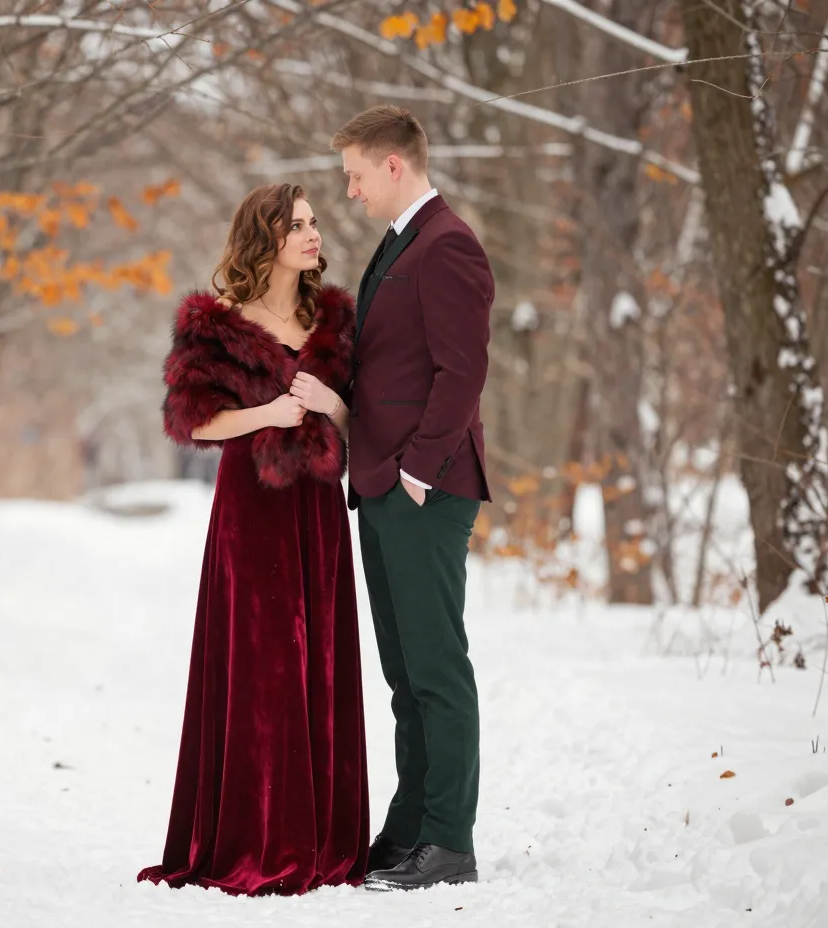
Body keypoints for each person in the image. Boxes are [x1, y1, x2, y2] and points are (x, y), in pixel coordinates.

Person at [137, 183, 369, 895]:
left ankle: (324, 841)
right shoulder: (218, 324)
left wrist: (331, 404)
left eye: (314, 222)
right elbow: (193, 423)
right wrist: (268, 409)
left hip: (320, 510)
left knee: (320, 665)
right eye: (296, 224)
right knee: (260, 668)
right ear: (263, 238)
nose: (312, 233)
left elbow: (364, 415)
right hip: (253, 510)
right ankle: (251, 840)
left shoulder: (334, 318)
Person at [330, 105, 494, 891]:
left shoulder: (448, 244)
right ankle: (408, 830)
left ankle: (450, 842)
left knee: (435, 667)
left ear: (394, 165)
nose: (351, 193)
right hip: (382, 482)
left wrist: (418, 471)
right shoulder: (401, 244)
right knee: (403, 673)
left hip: (422, 486)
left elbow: (462, 372)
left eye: (356, 176)